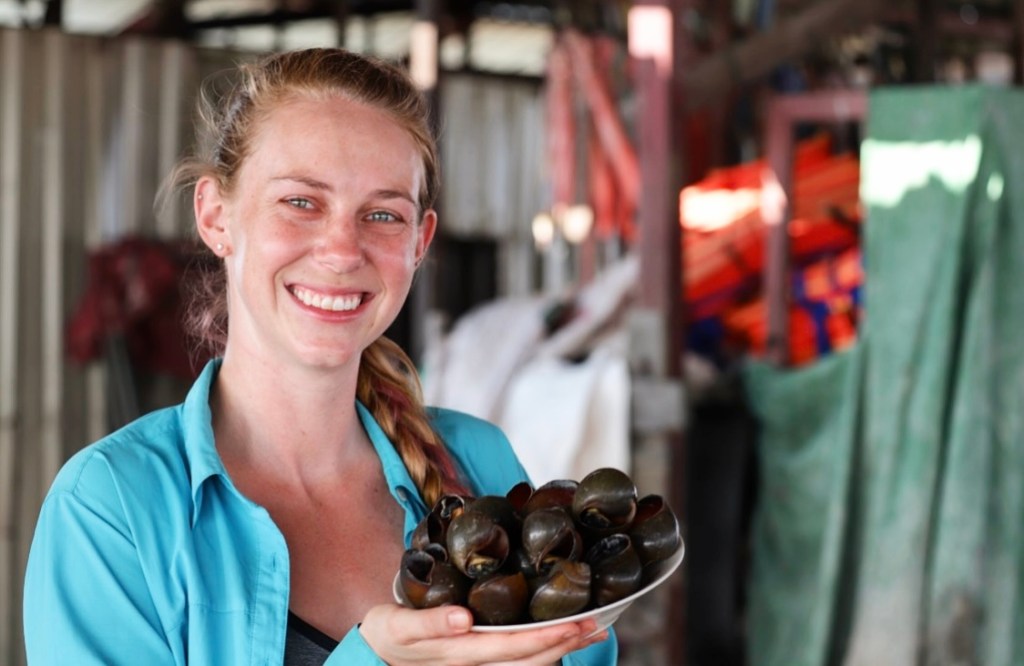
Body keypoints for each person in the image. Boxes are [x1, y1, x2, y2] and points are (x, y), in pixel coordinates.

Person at [23, 48, 616, 665]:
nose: (342, 251)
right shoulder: (113, 507)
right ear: (216, 216)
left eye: (382, 214)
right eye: (301, 202)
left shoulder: (479, 460)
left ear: (420, 243)